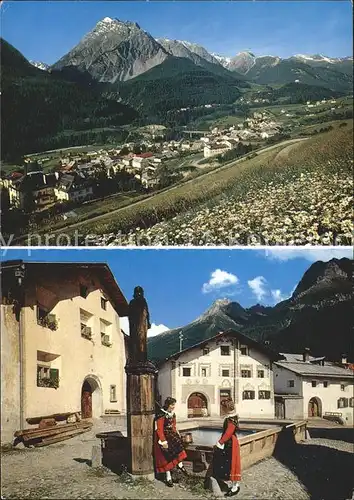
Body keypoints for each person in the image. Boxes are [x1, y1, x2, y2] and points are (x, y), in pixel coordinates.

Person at [154, 397, 188, 487]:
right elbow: (159, 429)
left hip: (171, 434)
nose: (173, 407)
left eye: (174, 405)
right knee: (166, 458)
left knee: (179, 445)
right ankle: (168, 477)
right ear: (167, 405)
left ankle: (180, 464)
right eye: (172, 405)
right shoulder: (161, 415)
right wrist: (163, 441)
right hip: (163, 436)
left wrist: (177, 433)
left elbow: (174, 426)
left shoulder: (172, 414)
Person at [212, 398, 241, 497]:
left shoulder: (231, 420)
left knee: (232, 464)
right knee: (231, 464)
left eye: (222, 408)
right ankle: (235, 484)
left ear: (226, 408)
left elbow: (228, 433)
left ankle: (235, 487)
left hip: (231, 443)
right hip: (231, 442)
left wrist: (220, 442)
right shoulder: (232, 417)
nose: (221, 410)